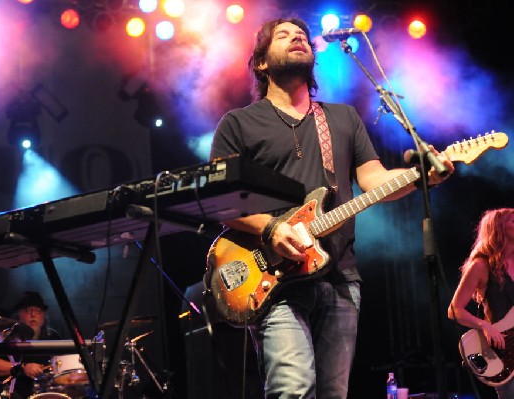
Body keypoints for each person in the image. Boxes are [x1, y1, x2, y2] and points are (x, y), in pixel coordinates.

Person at [208, 16, 454, 399]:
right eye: (284, 36)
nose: (297, 38)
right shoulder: (238, 124)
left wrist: (416, 177)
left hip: (339, 276)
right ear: (261, 62)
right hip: (275, 280)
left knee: (333, 394)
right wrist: (272, 229)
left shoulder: (341, 118)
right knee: (293, 389)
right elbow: (219, 205)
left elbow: (373, 181)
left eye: (302, 35)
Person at [448, 208, 514, 399]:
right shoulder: (481, 266)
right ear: (499, 229)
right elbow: (454, 309)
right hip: (504, 351)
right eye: (513, 221)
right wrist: (484, 326)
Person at [0, 291, 61, 399]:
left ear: (43, 316)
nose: (33, 315)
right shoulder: (6, 338)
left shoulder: (54, 338)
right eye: (27, 310)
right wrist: (23, 369)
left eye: (38, 311)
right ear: (18, 314)